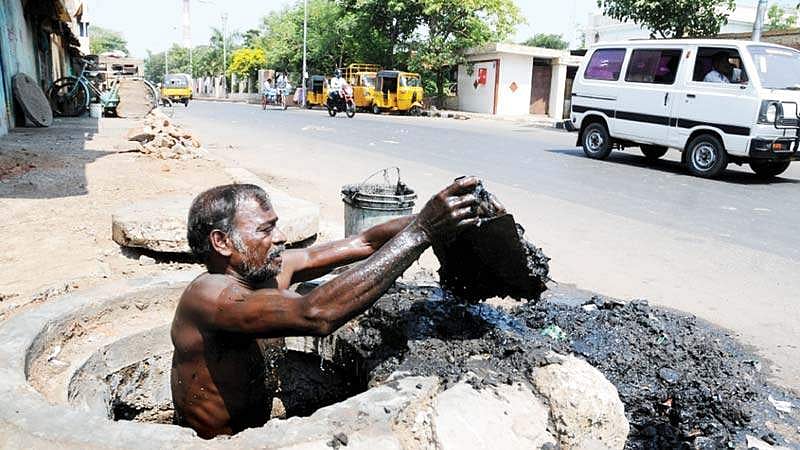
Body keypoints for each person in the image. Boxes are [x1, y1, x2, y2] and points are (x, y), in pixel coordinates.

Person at [171, 178, 490, 439]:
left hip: (258, 430)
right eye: (265, 230)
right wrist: (423, 234)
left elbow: (363, 242)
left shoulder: (270, 273)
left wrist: (443, 215)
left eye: (276, 225)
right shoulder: (210, 296)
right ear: (222, 242)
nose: (281, 238)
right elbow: (316, 313)